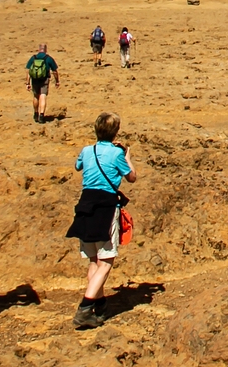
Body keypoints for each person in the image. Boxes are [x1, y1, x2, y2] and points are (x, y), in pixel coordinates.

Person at [66, 112, 137, 330]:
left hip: (85, 204)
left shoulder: (87, 150)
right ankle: (85, 308)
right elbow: (132, 177)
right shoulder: (117, 153)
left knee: (93, 260)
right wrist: (126, 156)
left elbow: (78, 166)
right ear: (116, 132)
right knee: (106, 261)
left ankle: (100, 304)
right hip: (105, 207)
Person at [25, 44, 60, 123]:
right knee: (43, 96)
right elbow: (54, 71)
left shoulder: (33, 58)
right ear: (45, 50)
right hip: (44, 80)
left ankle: (36, 113)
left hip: (34, 80)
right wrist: (57, 81)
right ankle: (41, 115)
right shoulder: (49, 58)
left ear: (39, 49)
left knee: (36, 96)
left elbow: (28, 71)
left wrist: (27, 83)